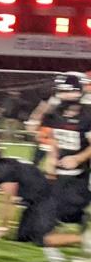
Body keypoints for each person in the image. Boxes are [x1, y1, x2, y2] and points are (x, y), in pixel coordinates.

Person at [0, 142, 89, 249]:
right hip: (38, 201)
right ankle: (75, 219)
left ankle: (84, 238)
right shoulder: (8, 163)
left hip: (46, 201)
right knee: (23, 236)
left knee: (41, 239)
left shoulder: (4, 171)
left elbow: (8, 201)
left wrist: (2, 227)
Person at [40, 73, 91, 227]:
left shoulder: (87, 113)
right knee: (59, 211)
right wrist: (52, 156)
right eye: (61, 91)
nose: (63, 95)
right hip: (64, 169)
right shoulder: (55, 112)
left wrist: (78, 159)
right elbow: (54, 137)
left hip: (84, 169)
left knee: (76, 205)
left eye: (67, 91)